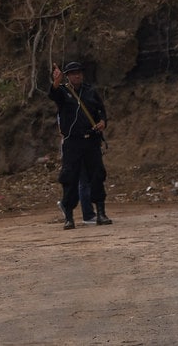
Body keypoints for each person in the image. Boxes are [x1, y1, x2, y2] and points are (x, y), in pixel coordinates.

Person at [50, 61, 112, 230]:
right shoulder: (63, 92)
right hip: (73, 142)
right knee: (70, 178)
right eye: (72, 73)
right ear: (68, 76)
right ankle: (69, 217)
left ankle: (100, 212)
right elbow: (53, 95)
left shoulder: (90, 91)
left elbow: (101, 110)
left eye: (79, 72)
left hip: (91, 140)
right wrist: (56, 81)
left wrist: (102, 122)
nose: (76, 75)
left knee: (97, 175)